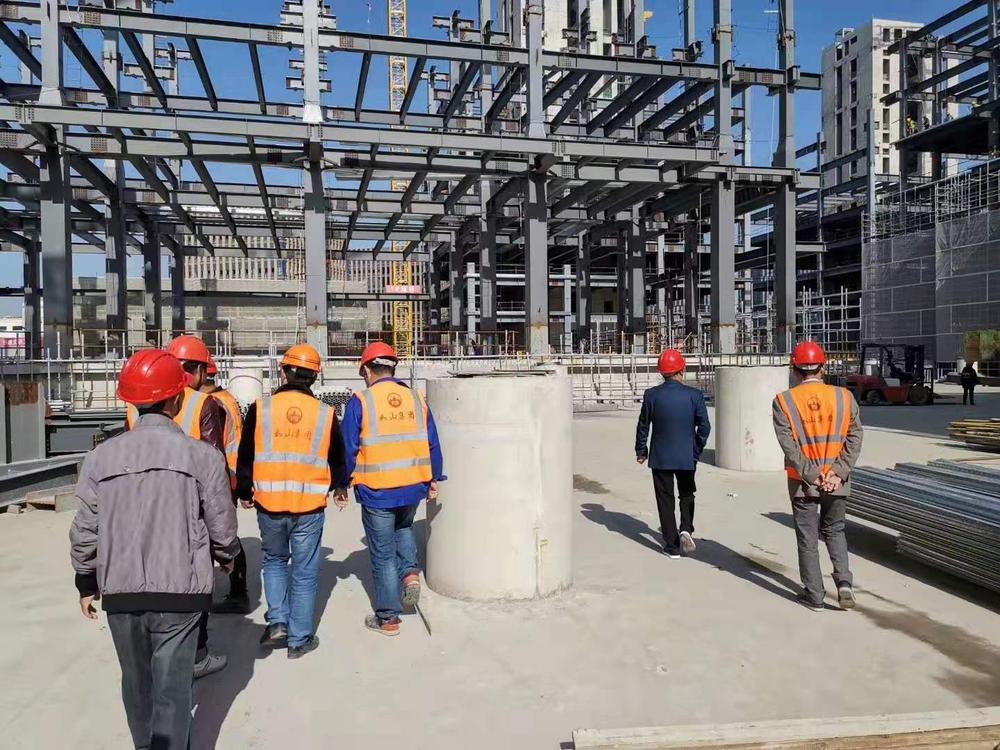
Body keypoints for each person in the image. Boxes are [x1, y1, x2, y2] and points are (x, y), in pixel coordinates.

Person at [70, 349, 239, 749]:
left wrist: (85, 580)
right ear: (176, 398)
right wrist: (226, 555)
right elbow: (222, 521)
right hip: (181, 594)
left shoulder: (99, 458)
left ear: (131, 400)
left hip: (121, 593)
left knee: (136, 683)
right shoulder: (202, 457)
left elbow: (85, 528)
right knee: (173, 689)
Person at [127, 335, 245, 676]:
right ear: (199, 370)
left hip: (146, 499)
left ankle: (158, 649)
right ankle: (196, 653)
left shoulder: (135, 405)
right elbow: (214, 459)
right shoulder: (204, 404)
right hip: (192, 502)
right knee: (194, 578)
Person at [236, 344, 346, 659]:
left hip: (269, 503)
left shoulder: (260, 408)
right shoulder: (325, 414)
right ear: (314, 377)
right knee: (305, 571)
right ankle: (299, 640)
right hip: (309, 506)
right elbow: (337, 456)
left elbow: (246, 453)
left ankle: (278, 622)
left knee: (274, 560)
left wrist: (244, 491)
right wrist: (340, 487)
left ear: (284, 372)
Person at [336, 341, 445, 636]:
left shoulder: (361, 401)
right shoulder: (416, 398)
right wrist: (434, 477)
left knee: (383, 554)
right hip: (412, 485)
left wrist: (341, 483)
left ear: (366, 370)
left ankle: (388, 618)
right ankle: (410, 573)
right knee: (404, 527)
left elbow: (348, 448)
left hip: (377, 490)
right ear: (393, 368)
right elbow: (432, 442)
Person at [773, 341, 864, 612]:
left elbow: (788, 446)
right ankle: (844, 583)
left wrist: (813, 475)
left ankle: (814, 596)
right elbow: (855, 436)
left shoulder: (783, 401)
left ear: (795, 369)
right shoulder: (844, 397)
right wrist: (838, 472)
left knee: (808, 538)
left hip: (803, 483)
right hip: (837, 481)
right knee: (835, 530)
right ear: (823, 367)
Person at [634, 348, 711, 558]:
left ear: (662, 372)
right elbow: (705, 427)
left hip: (660, 458)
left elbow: (643, 425)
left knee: (665, 499)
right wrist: (696, 451)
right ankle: (686, 528)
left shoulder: (651, 395)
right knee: (687, 493)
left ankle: (672, 546)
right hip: (686, 457)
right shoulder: (694, 395)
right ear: (681, 370)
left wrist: (641, 450)